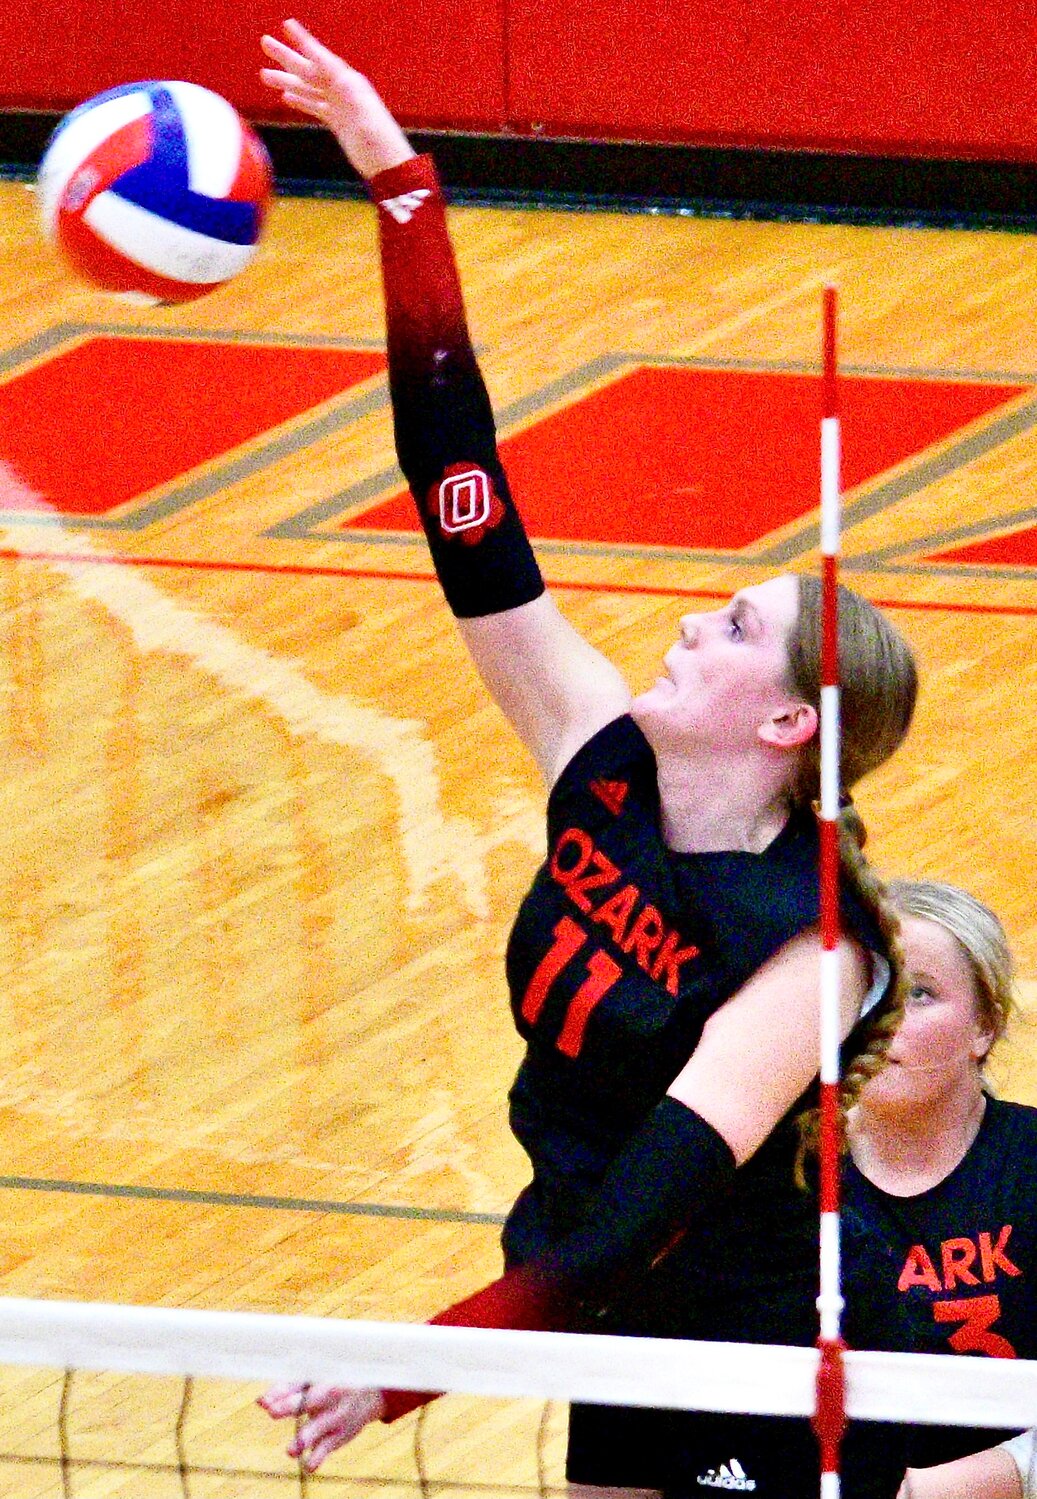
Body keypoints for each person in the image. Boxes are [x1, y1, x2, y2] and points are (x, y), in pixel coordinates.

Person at [257, 21, 919, 1496]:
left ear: (787, 720)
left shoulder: (810, 950)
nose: (692, 619)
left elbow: (648, 1205)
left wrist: (411, 1363)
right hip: (595, 1298)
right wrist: (400, 187)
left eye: (736, 623)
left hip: (755, 1341)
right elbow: (459, 491)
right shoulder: (596, 753)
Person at [843, 880, 1037, 1499]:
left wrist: (929, 1492)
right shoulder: (778, 1182)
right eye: (864, 988)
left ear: (986, 1026)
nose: (880, 1018)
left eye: (918, 994)